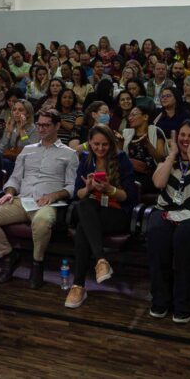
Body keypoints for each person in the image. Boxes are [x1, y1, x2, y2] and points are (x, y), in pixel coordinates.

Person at [0, 109, 79, 289]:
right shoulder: (27, 150)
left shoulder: (69, 154)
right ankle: (8, 256)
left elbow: (71, 187)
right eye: (39, 124)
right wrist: (9, 192)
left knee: (42, 221)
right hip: (21, 199)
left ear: (57, 126)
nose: (41, 129)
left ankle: (37, 264)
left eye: (46, 125)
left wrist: (55, 195)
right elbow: (15, 178)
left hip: (46, 203)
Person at [147, 121, 190, 323]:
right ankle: (161, 300)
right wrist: (171, 155)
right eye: (182, 135)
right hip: (167, 212)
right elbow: (158, 183)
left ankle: (183, 303)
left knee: (183, 236)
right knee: (157, 233)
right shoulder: (168, 161)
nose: (185, 139)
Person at [64, 125, 137, 308]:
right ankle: (101, 261)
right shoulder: (86, 160)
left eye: (105, 144)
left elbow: (129, 196)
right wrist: (88, 188)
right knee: (84, 205)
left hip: (117, 213)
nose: (100, 148)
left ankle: (78, 285)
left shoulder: (122, 159)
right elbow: (77, 194)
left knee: (83, 226)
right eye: (96, 144)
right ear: (89, 143)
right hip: (93, 212)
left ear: (111, 144)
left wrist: (109, 189)